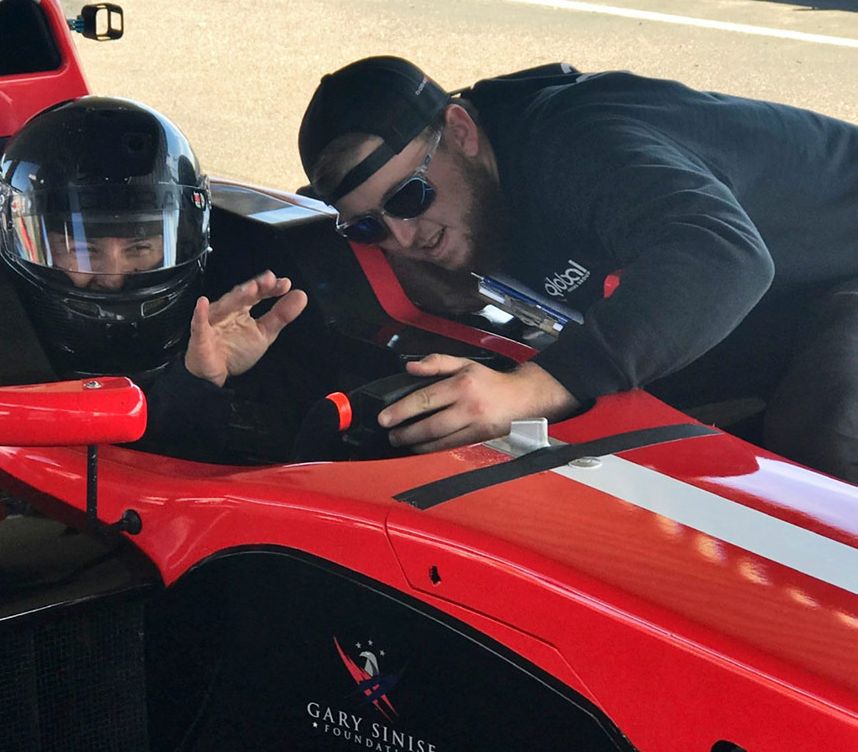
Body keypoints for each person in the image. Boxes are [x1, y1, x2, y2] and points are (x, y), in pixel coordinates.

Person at [298, 56, 858, 483]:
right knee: (650, 434)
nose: (401, 237)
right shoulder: (464, 193)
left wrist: (532, 390)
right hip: (783, 298)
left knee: (821, 434)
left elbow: (722, 255)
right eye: (370, 226)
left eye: (410, 196)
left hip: (827, 267)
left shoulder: (576, 142)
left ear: (462, 132)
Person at [0, 96, 307, 461]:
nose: (113, 278)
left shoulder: (234, 342)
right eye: (84, 251)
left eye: (140, 249)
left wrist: (199, 380)